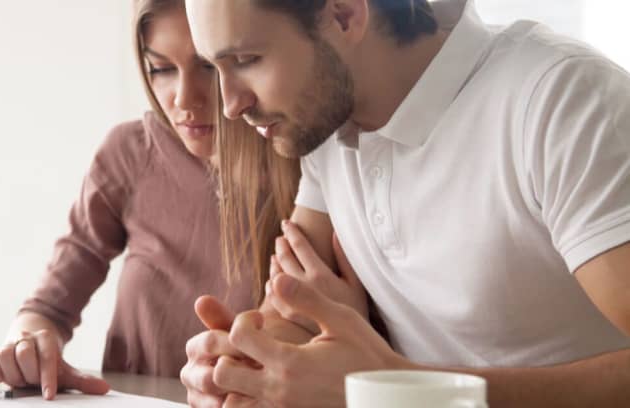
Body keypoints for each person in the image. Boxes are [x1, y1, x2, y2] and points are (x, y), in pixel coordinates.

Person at [181, 0, 630, 406]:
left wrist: (397, 387)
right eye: (215, 68)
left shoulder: (561, 100)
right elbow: (292, 318)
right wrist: (243, 367)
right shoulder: (326, 126)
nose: (230, 106)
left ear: (344, 14)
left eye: (245, 61)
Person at [0, 0, 301, 400]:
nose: (184, 99)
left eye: (205, 66)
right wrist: (27, 346)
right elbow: (48, 308)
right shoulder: (130, 152)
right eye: (161, 69)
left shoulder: (310, 168)